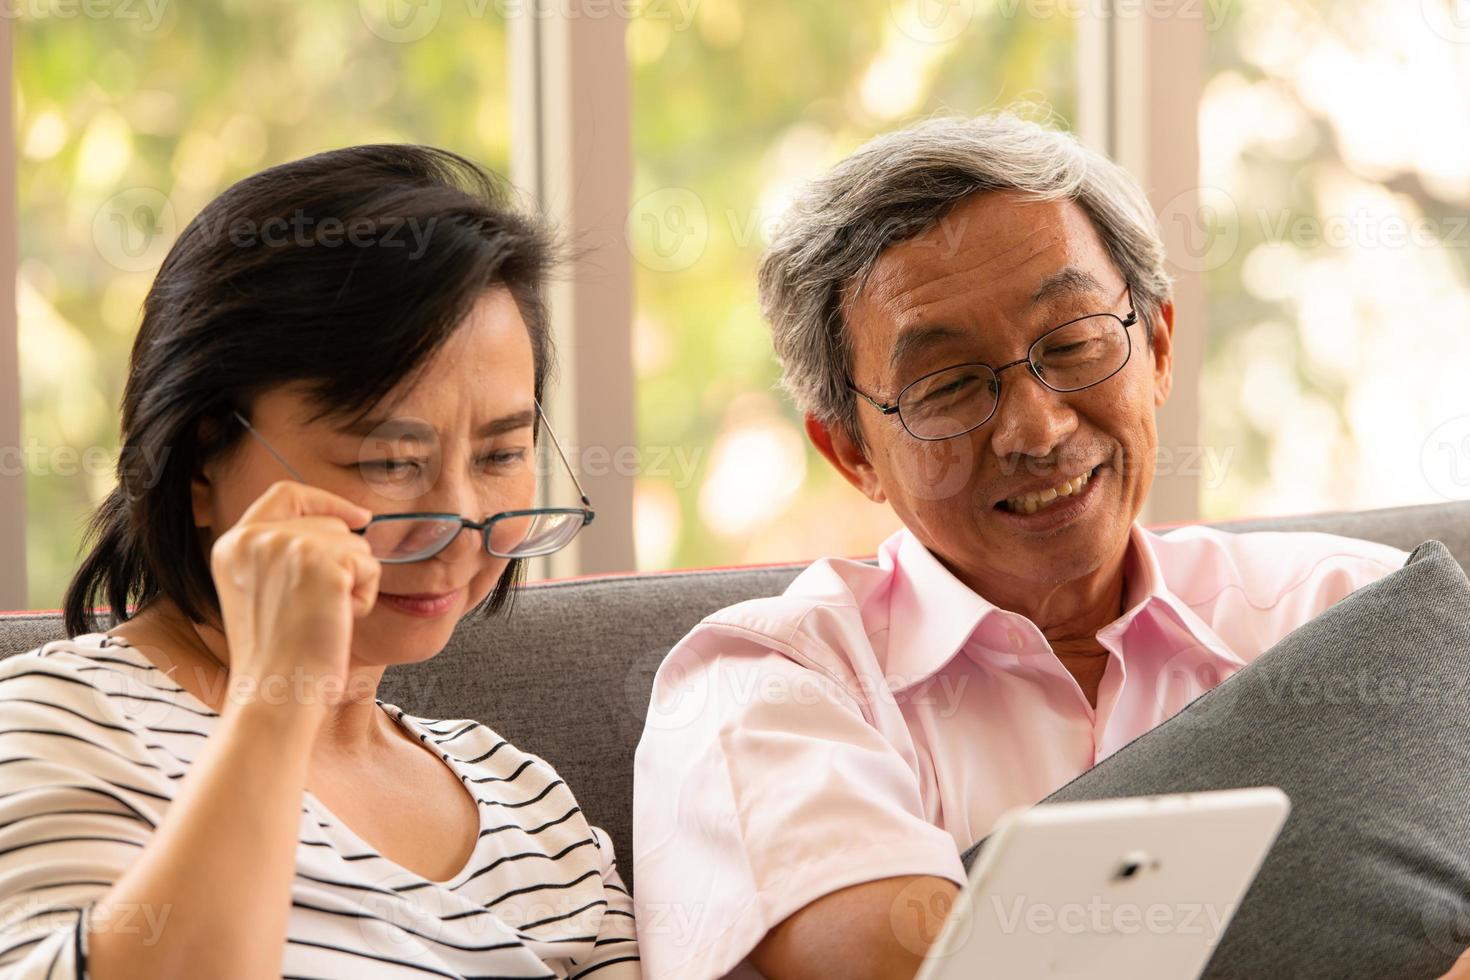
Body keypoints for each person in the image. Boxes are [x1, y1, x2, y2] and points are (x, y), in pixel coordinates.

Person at [631, 113, 1417, 980]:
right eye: (947, 385)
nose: (1036, 429)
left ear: (1157, 345)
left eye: (1074, 343)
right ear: (852, 451)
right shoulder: (763, 686)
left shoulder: (1356, 610)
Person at [0, 146, 639, 979]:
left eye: (499, 454)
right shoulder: (56, 726)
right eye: (387, 461)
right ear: (200, 464)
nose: (464, 524)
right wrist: (277, 697)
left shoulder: (529, 806)